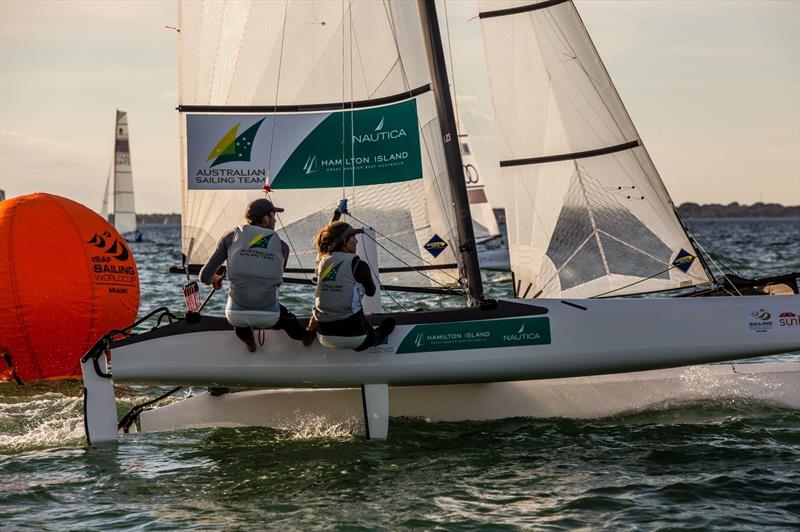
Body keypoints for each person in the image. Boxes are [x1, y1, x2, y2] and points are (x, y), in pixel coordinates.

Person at [199, 198, 311, 352]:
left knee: (239, 315)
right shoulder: (282, 246)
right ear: (266, 219)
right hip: (270, 316)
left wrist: (215, 279)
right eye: (273, 216)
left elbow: (204, 277)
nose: (275, 220)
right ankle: (306, 338)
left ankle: (248, 341)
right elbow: (277, 278)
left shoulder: (230, 237)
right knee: (288, 320)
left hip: (235, 315)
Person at [309, 200, 395, 351]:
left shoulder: (321, 261)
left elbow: (327, 238)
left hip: (324, 336)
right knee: (388, 324)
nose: (356, 241)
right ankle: (373, 338)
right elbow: (371, 292)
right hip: (355, 335)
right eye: (352, 238)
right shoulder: (358, 265)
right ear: (344, 243)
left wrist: (337, 213)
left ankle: (310, 335)